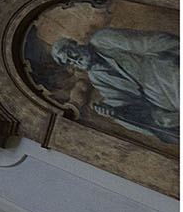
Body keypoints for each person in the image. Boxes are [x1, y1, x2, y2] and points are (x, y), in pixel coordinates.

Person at [51, 27, 180, 144]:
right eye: (68, 62)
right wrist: (113, 111)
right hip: (158, 97)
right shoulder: (96, 76)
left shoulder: (101, 40)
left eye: (70, 53)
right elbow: (121, 100)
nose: (74, 60)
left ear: (76, 44)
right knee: (163, 121)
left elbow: (146, 42)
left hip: (164, 70)